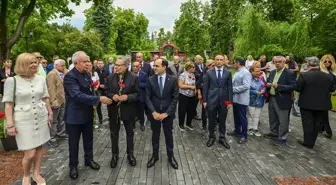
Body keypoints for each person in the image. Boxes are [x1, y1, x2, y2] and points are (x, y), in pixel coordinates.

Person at [2, 53, 53, 185]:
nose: (35, 64)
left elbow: (45, 97)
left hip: (41, 116)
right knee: (29, 153)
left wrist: (50, 112)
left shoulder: (41, 79)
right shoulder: (12, 81)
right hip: (23, 120)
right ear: (22, 64)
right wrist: (10, 124)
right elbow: (8, 104)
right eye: (31, 63)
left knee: (40, 147)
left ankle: (36, 173)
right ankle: (26, 175)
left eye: (35, 62)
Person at [63, 51, 112, 180]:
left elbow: (90, 91)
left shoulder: (86, 74)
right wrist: (98, 99)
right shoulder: (70, 77)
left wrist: (94, 100)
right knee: (74, 143)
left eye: (88, 61)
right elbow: (76, 95)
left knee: (89, 139)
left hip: (87, 113)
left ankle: (88, 160)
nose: (88, 64)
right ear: (75, 63)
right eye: (84, 61)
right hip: (74, 116)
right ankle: (73, 166)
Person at [104, 57, 139, 168]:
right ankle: (115, 155)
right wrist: (111, 95)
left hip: (128, 110)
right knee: (114, 133)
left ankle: (130, 154)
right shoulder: (110, 78)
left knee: (129, 133)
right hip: (114, 110)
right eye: (115, 65)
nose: (116, 67)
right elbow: (106, 90)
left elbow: (138, 94)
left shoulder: (133, 78)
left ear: (126, 66)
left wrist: (128, 97)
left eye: (119, 65)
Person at [146, 58, 179, 169]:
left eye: (157, 66)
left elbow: (175, 98)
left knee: (168, 135)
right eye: (154, 66)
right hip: (155, 113)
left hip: (167, 114)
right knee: (155, 135)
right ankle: (155, 156)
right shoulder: (150, 79)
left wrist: (167, 113)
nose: (154, 68)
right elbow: (147, 97)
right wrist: (153, 112)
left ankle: (171, 156)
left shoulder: (173, 79)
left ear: (164, 67)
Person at [296, 57, 334, 149]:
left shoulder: (304, 75)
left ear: (308, 64)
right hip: (322, 103)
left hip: (307, 103)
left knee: (307, 122)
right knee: (317, 122)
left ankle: (308, 142)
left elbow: (298, 88)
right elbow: (332, 89)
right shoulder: (328, 76)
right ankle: (312, 141)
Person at [264, 56, 296, 145]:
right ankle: (274, 133)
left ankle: (282, 137)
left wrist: (279, 86)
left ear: (284, 63)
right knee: (272, 117)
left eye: (279, 62)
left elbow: (293, 86)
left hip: (283, 99)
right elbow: (268, 81)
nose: (277, 64)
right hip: (272, 97)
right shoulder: (273, 72)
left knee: (283, 120)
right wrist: (267, 85)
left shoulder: (289, 73)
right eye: (275, 62)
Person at [202, 54, 233, 148]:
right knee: (211, 120)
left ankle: (222, 138)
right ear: (214, 61)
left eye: (221, 60)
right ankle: (211, 137)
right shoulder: (209, 72)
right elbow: (206, 87)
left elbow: (230, 88)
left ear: (223, 61)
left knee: (222, 120)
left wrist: (229, 102)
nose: (219, 61)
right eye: (217, 59)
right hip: (211, 100)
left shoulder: (228, 73)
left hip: (224, 101)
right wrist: (205, 100)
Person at [227, 57, 252, 144]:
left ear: (238, 63)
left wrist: (232, 89)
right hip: (235, 99)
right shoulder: (238, 71)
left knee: (242, 117)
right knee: (236, 116)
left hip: (242, 99)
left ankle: (244, 135)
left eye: (234, 63)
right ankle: (237, 130)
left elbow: (246, 86)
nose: (233, 64)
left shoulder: (246, 73)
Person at [46, 59, 67, 148]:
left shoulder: (59, 73)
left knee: (61, 118)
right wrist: (53, 101)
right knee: (54, 121)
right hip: (56, 101)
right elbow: (51, 89)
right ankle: (52, 138)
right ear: (56, 65)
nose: (63, 67)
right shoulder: (52, 74)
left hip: (62, 100)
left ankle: (60, 133)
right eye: (62, 65)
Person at [319, 55, 336, 138]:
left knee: (324, 113)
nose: (327, 63)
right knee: (321, 112)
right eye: (325, 61)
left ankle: (329, 132)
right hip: (319, 94)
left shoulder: (333, 72)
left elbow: (333, 86)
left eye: (329, 61)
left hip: (327, 95)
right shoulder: (320, 71)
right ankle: (321, 128)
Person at [247, 66, 266, 137]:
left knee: (257, 115)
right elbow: (247, 89)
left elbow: (264, 85)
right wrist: (255, 92)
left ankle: (255, 128)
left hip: (260, 100)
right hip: (251, 100)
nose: (259, 73)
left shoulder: (261, 78)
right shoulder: (248, 79)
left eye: (259, 71)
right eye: (256, 71)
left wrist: (263, 90)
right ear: (251, 71)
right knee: (250, 115)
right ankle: (249, 128)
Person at [178, 62, 197, 131]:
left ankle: (188, 123)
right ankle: (181, 124)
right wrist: (190, 87)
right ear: (189, 68)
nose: (194, 68)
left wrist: (195, 90)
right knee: (182, 110)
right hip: (183, 95)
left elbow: (194, 84)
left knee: (191, 110)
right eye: (193, 67)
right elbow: (180, 85)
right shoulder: (183, 75)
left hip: (192, 96)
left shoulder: (193, 75)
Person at [196, 59, 215, 130]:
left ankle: (213, 125)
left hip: (213, 94)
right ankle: (204, 125)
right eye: (212, 65)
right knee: (204, 110)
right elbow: (198, 84)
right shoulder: (203, 73)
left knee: (213, 110)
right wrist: (199, 94)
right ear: (208, 66)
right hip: (204, 94)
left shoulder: (215, 72)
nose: (213, 67)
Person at [132, 61, 148, 131]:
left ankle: (142, 124)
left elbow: (146, 85)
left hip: (141, 97)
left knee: (141, 112)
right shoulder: (129, 74)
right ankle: (132, 125)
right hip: (132, 97)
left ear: (139, 67)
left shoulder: (144, 74)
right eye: (134, 66)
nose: (135, 68)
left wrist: (138, 84)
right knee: (132, 111)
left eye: (136, 66)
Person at [88, 61, 100, 128]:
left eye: (90, 65)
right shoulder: (85, 73)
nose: (89, 67)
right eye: (88, 65)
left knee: (94, 107)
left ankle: (94, 121)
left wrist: (96, 87)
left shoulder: (95, 73)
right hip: (87, 93)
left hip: (94, 91)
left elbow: (98, 82)